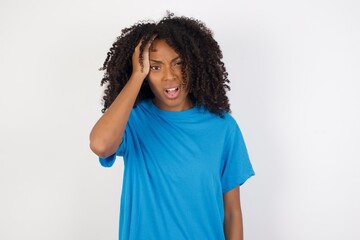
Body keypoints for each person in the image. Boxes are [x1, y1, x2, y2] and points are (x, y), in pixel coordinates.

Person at [90, 12, 255, 240]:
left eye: (179, 63)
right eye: (155, 67)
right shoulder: (133, 121)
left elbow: (232, 212)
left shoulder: (223, 128)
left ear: (194, 64)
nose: (170, 76)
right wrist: (137, 74)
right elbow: (100, 144)